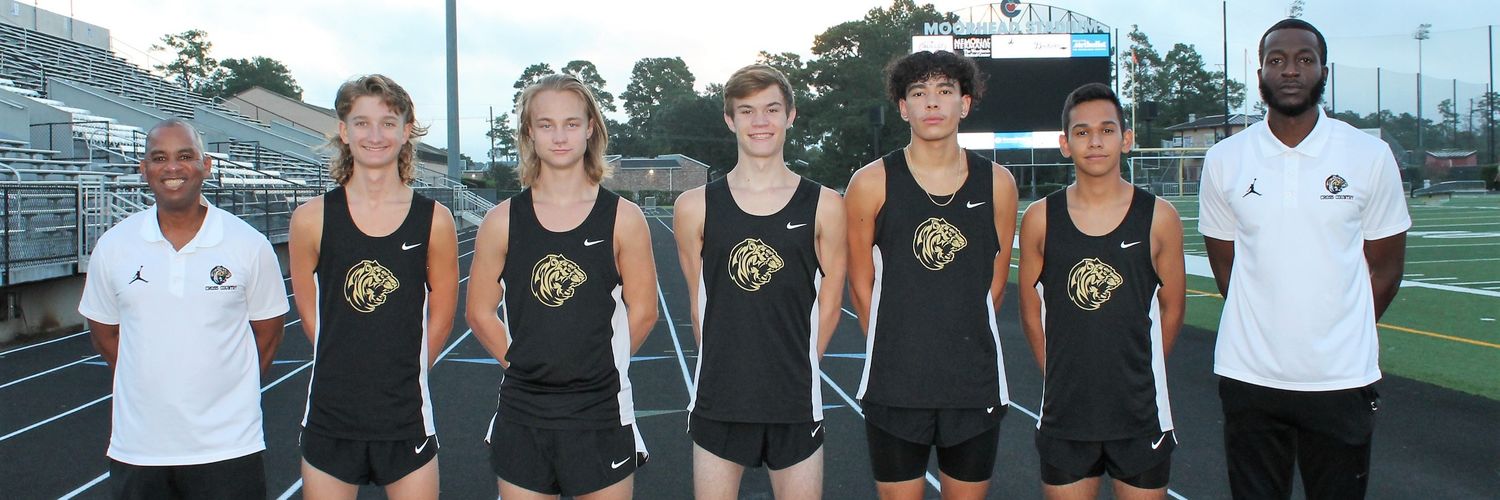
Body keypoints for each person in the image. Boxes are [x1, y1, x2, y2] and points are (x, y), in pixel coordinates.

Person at [1198, 19, 1410, 499]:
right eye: (1277, 60)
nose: (1290, 71)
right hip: (1249, 376)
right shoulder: (1226, 160)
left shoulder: (1368, 156)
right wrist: (1270, 330)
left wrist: (1340, 331)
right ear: (1260, 75)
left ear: (1323, 72)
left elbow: (1386, 267)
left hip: (1341, 379)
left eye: (1304, 60)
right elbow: (1226, 268)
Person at [465, 73, 657, 500]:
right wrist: (522, 364)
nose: (559, 136)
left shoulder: (623, 218)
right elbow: (479, 311)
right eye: (546, 124)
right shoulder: (502, 221)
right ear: (529, 132)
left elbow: (644, 311)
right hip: (523, 410)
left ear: (591, 128)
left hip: (601, 410)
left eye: (571, 123)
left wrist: (597, 368)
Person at [78, 118, 288, 499]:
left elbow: (269, 335)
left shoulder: (248, 244)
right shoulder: (114, 246)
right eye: (159, 158)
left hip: (229, 447)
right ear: (144, 169)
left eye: (185, 156)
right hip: (139, 448)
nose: (172, 168)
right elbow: (106, 334)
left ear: (205, 166)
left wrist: (227, 393)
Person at [844, 50, 1019, 500]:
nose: (932, 103)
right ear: (903, 107)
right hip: (895, 385)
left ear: (965, 103)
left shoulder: (998, 183)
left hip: (973, 381)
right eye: (919, 93)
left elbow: (994, 282)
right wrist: (900, 345)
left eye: (945, 91)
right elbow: (861, 285)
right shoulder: (870, 182)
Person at [672, 64, 847, 500]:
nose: (760, 122)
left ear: (791, 115)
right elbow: (699, 304)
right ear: (730, 120)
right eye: (747, 111)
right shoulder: (694, 207)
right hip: (720, 397)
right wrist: (729, 368)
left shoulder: (825, 205)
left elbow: (830, 304)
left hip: (794, 401)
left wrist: (798, 368)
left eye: (771, 109)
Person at [288, 74, 459, 500]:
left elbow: (442, 311)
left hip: (406, 418)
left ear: (406, 132)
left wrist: (408, 370)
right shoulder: (310, 219)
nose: (375, 134)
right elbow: (311, 315)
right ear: (344, 132)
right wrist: (346, 364)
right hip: (331, 416)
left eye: (388, 121)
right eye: (362, 123)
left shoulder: (435, 220)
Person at [1016, 83, 1186, 499]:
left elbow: (1173, 309)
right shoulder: (1040, 218)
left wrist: (1135, 374)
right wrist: (1061, 376)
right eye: (1082, 132)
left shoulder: (1159, 217)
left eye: (1107, 130)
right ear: (1064, 144)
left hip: (1140, 415)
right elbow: (1030, 315)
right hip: (1066, 416)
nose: (1095, 141)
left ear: (1126, 140)